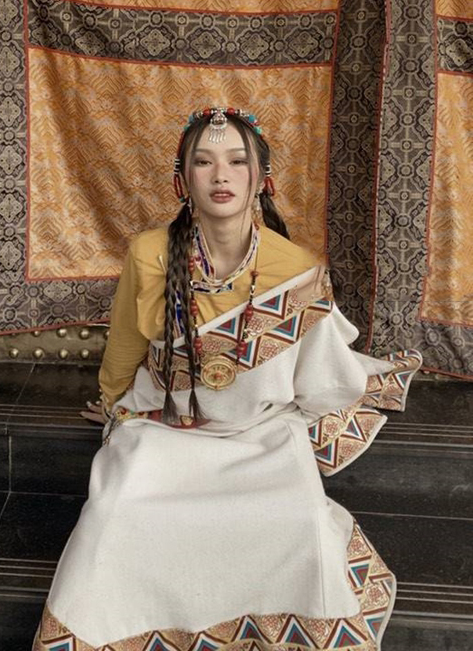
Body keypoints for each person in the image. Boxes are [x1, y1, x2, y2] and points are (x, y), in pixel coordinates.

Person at [33, 106, 422, 651]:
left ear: (262, 180)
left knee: (302, 522)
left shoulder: (297, 269)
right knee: (112, 512)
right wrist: (115, 399)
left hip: (260, 432)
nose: (222, 175)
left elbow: (317, 381)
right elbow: (125, 339)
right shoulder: (149, 253)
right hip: (167, 424)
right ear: (182, 180)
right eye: (204, 162)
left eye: (238, 162)